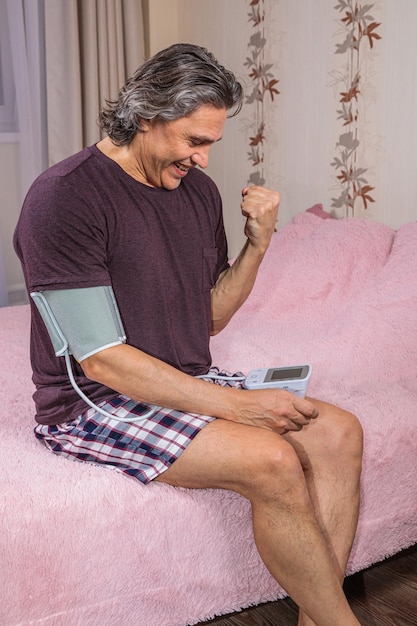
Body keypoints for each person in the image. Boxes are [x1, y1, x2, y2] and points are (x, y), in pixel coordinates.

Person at [14, 43, 363, 626]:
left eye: (210, 143)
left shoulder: (195, 192)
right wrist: (241, 408)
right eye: (192, 141)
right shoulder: (66, 197)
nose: (202, 160)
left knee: (341, 433)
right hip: (93, 402)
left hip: (182, 377)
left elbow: (209, 318)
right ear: (145, 117)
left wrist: (259, 243)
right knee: (272, 460)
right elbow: (102, 362)